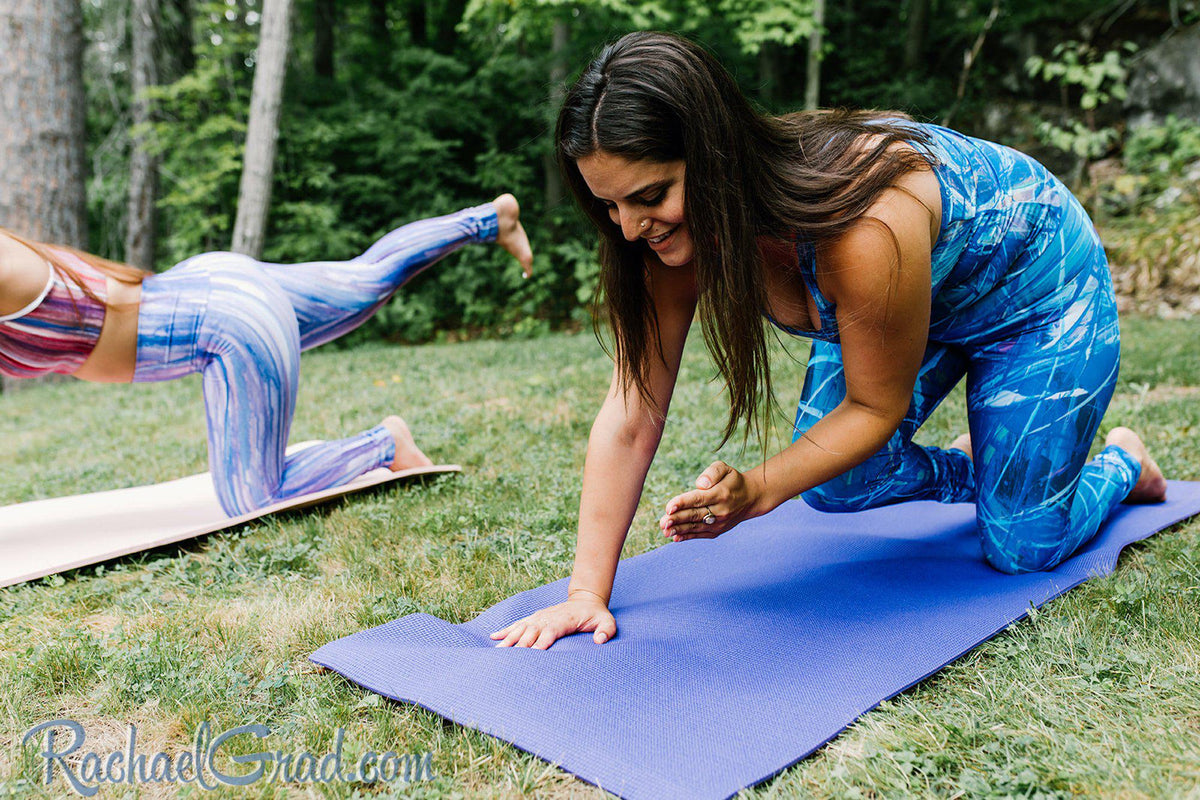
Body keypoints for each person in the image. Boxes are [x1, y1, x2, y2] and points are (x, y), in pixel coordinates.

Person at [490, 31, 1167, 650]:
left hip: (1040, 294)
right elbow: (633, 411)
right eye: (609, 206)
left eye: (649, 195)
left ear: (714, 155)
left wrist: (755, 491)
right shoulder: (663, 242)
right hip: (913, 303)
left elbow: (875, 408)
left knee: (1021, 546)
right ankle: (993, 466)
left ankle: (1122, 464)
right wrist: (585, 594)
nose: (631, 227)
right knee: (839, 486)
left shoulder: (862, 222)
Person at [0, 195, 532, 516]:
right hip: (218, 285)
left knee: (252, 498)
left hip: (228, 325)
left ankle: (384, 443)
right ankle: (490, 219)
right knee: (367, 277)